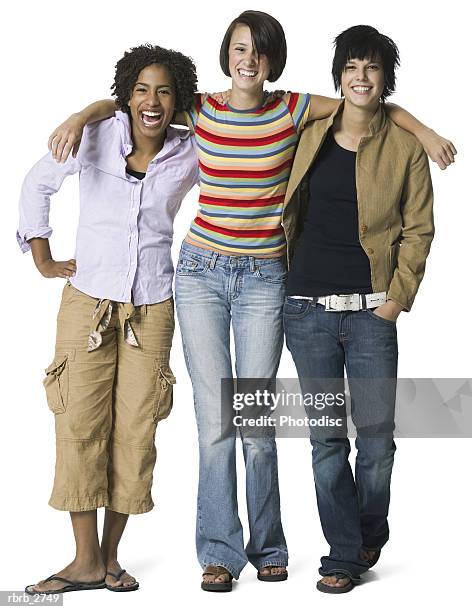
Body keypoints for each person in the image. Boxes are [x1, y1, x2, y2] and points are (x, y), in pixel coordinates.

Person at [46, 11, 455, 592]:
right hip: (201, 275)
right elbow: (134, 107)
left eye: (259, 51)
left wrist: (429, 134)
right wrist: (79, 114)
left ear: (272, 60)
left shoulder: (293, 108)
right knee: (215, 421)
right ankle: (218, 549)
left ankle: (269, 547)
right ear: (226, 54)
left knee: (256, 419)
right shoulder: (201, 109)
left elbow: (369, 103)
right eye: (240, 49)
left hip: (267, 277)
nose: (248, 60)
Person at [18, 44, 199, 595]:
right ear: (125, 96)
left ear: (178, 100)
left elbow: (221, 129)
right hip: (87, 301)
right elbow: (36, 183)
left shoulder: (190, 150)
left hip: (153, 305)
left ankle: (111, 559)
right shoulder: (94, 136)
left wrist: (90, 106)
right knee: (78, 425)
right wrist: (44, 257)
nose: (152, 101)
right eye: (141, 89)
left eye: (164, 90)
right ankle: (83, 560)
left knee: (136, 431)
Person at [282, 25, 435, 593]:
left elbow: (419, 230)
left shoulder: (404, 148)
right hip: (307, 312)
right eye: (351, 67)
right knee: (326, 439)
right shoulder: (310, 132)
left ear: (384, 80)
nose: (360, 77)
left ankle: (368, 532)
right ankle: (343, 555)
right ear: (339, 75)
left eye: (371, 68)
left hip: (372, 315)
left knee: (376, 441)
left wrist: (396, 300)